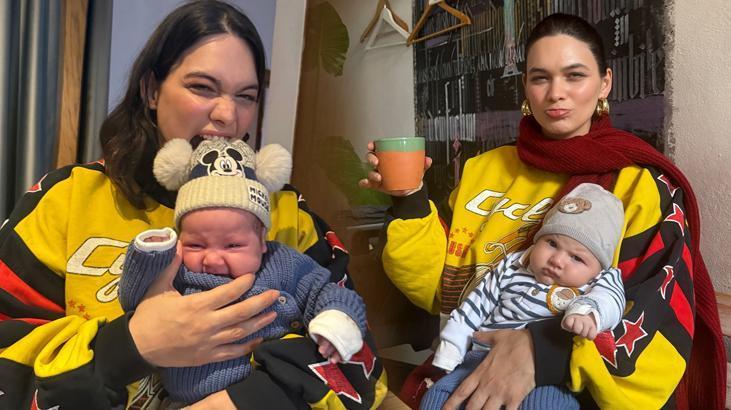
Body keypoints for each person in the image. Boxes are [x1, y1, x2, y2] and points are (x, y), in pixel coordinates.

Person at [0, 1, 386, 409]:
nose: (228, 115)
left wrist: (243, 400)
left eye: (246, 96)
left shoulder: (288, 215)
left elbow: (359, 360)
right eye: (202, 87)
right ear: (151, 90)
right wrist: (131, 345)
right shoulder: (68, 199)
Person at [360, 12, 725, 410]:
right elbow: (440, 289)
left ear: (605, 83)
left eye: (574, 76)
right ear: (525, 87)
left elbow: (651, 317)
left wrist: (544, 350)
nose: (556, 93)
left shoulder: (639, 185)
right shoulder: (483, 170)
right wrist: (410, 197)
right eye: (540, 78)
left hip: (570, 390)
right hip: (468, 363)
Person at [118, 138, 368, 405]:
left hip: (269, 396)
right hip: (184, 401)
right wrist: (150, 254)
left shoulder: (281, 262)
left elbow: (326, 291)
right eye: (195, 244)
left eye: (233, 245)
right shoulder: (177, 267)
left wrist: (336, 321)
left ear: (261, 240)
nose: (212, 259)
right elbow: (134, 300)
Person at [421, 183, 626, 409]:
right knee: (436, 397)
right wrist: (451, 350)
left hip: (542, 375)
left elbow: (612, 299)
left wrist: (588, 312)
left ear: (599, 268)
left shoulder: (598, 280)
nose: (557, 260)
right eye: (552, 243)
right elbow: (475, 306)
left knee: (546, 406)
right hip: (479, 359)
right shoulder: (513, 265)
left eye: (576, 258)